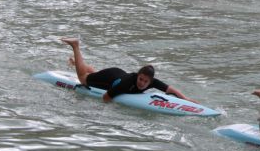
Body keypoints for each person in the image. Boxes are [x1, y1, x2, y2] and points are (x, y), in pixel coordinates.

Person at [61, 38, 194, 103]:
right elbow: (106, 97)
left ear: (151, 81)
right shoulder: (126, 84)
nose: (142, 83)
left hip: (116, 73)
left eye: (145, 81)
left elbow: (171, 90)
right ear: (138, 75)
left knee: (93, 74)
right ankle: (75, 46)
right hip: (110, 79)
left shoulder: (151, 81)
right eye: (140, 79)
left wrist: (186, 99)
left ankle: (76, 62)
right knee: (83, 78)